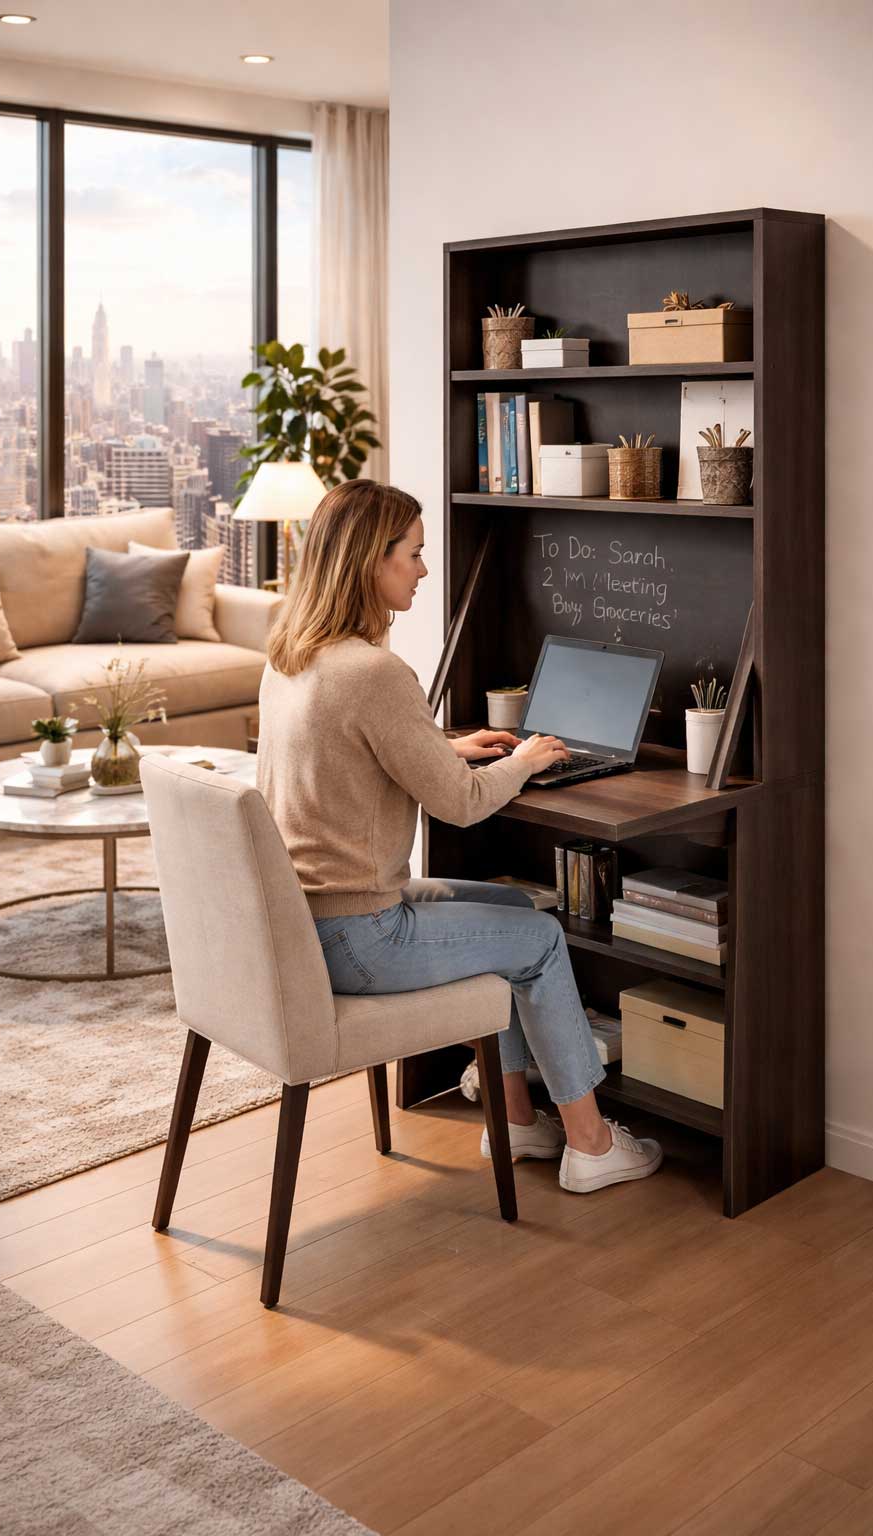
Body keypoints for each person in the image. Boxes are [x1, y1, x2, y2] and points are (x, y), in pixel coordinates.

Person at [256, 479, 661, 1193]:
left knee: (511, 912)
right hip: (359, 936)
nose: (423, 568)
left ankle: (519, 1124)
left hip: (306, 922)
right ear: (368, 562)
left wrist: (444, 744)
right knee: (540, 940)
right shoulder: (376, 672)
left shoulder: (292, 656)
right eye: (412, 553)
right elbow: (464, 807)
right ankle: (592, 1145)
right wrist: (526, 757)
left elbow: (352, 753)